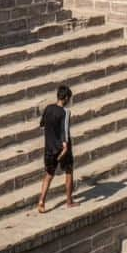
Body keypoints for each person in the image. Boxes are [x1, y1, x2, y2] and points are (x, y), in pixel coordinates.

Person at [37, 85, 76, 213]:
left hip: (49, 148)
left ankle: (41, 202)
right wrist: (64, 148)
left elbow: (42, 124)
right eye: (69, 99)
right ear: (65, 98)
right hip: (61, 148)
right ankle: (69, 201)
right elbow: (65, 132)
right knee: (69, 171)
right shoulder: (65, 112)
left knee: (49, 175)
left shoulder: (48, 108)